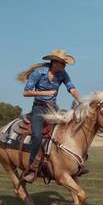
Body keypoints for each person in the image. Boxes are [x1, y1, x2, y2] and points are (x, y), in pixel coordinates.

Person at [17, 49, 82, 182]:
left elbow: (72, 88)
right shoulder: (38, 73)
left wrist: (82, 102)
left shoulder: (63, 74)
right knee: (37, 136)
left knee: (68, 132)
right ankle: (31, 168)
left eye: (65, 64)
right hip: (39, 109)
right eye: (62, 63)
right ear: (54, 62)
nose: (64, 66)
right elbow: (26, 93)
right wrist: (45, 93)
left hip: (53, 109)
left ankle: (71, 165)